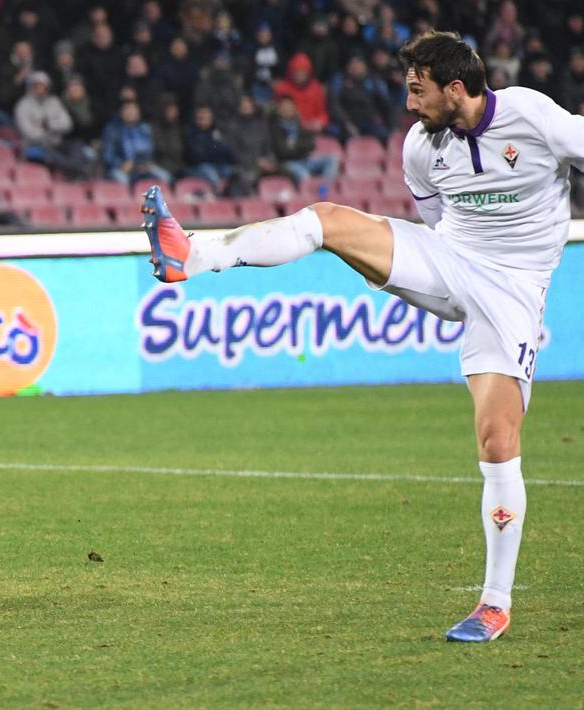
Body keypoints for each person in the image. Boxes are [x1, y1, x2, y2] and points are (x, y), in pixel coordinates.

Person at [140, 31, 584, 643]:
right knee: (327, 221)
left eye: (417, 89)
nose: (409, 104)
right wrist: (434, 271)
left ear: (456, 88)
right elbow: (435, 221)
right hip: (451, 259)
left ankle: (494, 604)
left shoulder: (535, 117)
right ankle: (192, 255)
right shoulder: (422, 147)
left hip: (512, 291)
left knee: (497, 437)